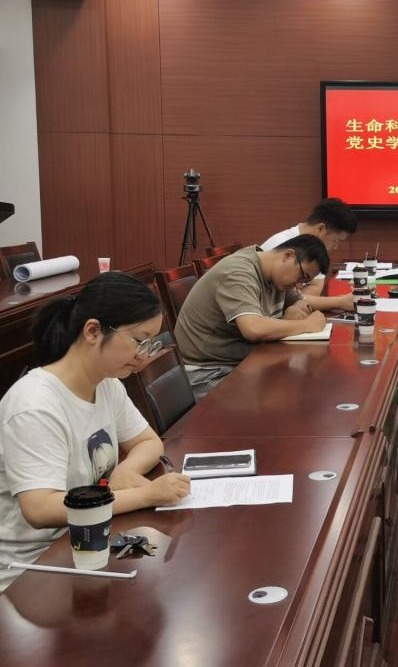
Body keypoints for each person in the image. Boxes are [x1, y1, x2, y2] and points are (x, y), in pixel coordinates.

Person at [0, 273, 191, 592]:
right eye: (138, 341)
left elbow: (148, 441)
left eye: (149, 344)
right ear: (93, 331)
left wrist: (125, 471)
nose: (144, 355)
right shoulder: (35, 405)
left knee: (176, 570)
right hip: (30, 565)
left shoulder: (107, 384)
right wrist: (144, 495)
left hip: (89, 539)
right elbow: (40, 509)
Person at [173, 234, 330, 399]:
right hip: (210, 373)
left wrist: (296, 308)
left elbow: (300, 301)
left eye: (305, 281)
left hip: (243, 364)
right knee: (286, 399)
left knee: (299, 386)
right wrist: (307, 325)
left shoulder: (276, 276)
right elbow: (253, 328)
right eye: (302, 276)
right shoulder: (238, 272)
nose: (299, 285)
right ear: (288, 256)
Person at [263, 197, 359, 313]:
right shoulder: (282, 246)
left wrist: (300, 302)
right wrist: (340, 302)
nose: (335, 247)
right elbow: (282, 300)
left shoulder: (315, 249)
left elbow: (315, 287)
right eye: (336, 240)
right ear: (320, 229)